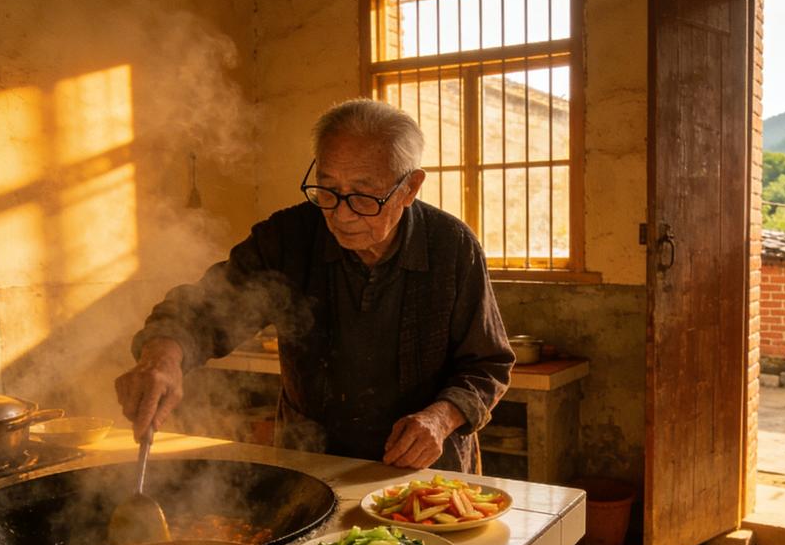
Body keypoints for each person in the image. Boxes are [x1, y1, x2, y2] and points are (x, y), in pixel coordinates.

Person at [115, 98, 513, 472]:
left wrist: (441, 418)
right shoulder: (287, 238)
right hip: (310, 463)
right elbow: (204, 311)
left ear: (409, 188)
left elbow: (487, 364)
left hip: (422, 470)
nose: (341, 213)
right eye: (327, 190)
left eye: (363, 196)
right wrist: (161, 359)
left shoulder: (452, 246)